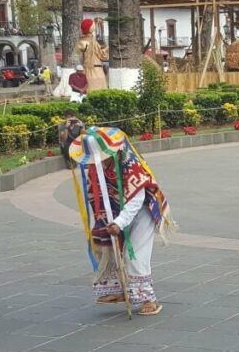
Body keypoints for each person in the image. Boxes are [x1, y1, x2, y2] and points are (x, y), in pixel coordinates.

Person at [69, 126, 174, 316]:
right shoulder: (93, 167)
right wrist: (101, 222)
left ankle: (148, 298)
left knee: (135, 255)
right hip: (114, 213)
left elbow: (136, 199)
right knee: (105, 246)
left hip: (142, 212)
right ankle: (117, 290)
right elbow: (95, 197)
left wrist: (119, 222)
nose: (98, 160)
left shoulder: (130, 164)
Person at [77, 19, 108, 93]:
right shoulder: (93, 42)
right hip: (96, 71)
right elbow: (102, 56)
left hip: (84, 71)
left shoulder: (80, 41)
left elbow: (79, 55)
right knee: (99, 93)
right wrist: (107, 48)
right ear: (91, 28)